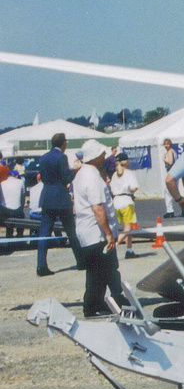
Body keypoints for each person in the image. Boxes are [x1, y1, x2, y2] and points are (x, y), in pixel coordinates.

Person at [73, 139, 128, 317]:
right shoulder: (92, 177)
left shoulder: (83, 173)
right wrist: (108, 234)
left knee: (105, 270)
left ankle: (115, 300)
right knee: (98, 274)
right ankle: (92, 307)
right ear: (96, 156)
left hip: (87, 231)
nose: (105, 156)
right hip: (96, 233)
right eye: (102, 154)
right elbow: (98, 208)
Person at [36, 133, 83, 276]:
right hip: (61, 199)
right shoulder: (62, 157)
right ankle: (81, 261)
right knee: (71, 231)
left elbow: (43, 177)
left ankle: (41, 265)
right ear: (63, 143)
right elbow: (66, 178)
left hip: (47, 197)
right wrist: (75, 170)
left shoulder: (43, 157)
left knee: (44, 233)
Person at [109, 153, 140, 259]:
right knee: (128, 228)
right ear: (126, 162)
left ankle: (129, 250)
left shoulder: (114, 174)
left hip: (116, 202)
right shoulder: (129, 173)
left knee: (127, 227)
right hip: (126, 201)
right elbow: (134, 188)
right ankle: (113, 245)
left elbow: (112, 189)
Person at [162, 139, 178, 217]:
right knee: (175, 191)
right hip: (175, 173)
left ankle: (170, 211)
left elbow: (171, 162)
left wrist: (164, 159)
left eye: (167, 144)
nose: (166, 146)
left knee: (167, 191)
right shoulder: (173, 151)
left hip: (171, 173)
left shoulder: (169, 152)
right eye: (165, 144)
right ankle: (183, 209)